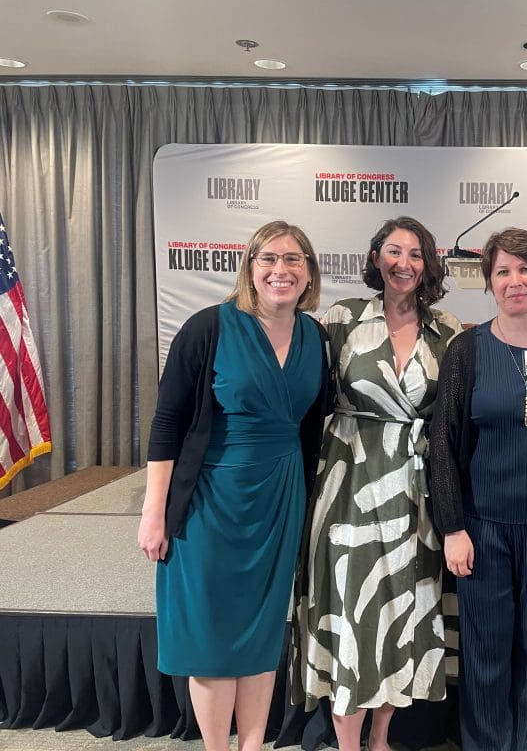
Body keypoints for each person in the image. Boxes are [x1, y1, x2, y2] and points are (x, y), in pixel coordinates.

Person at [137, 220, 330, 751]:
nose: (280, 270)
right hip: (211, 503)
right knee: (212, 637)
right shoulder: (208, 328)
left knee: (263, 635)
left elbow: (315, 426)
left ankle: (251, 746)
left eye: (293, 259)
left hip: (280, 500)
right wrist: (155, 511)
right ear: (249, 267)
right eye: (269, 258)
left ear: (309, 272)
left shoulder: (317, 336)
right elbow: (167, 423)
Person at [291, 216, 462, 751]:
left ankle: (382, 738)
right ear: (375, 258)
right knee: (351, 609)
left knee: (401, 610)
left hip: (416, 492)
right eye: (394, 251)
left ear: (429, 265)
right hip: (348, 484)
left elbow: (451, 421)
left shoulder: (449, 331)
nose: (404, 263)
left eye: (416, 254)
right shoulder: (341, 319)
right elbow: (304, 393)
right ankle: (347, 742)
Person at [430, 228, 527, 751]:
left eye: (525, 269)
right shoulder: (466, 351)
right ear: (488, 282)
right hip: (482, 528)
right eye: (503, 271)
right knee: (487, 650)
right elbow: (444, 446)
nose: (514, 281)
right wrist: (453, 526)